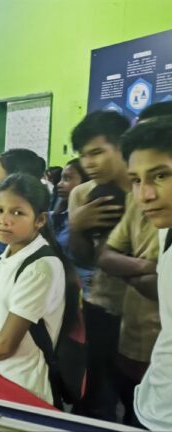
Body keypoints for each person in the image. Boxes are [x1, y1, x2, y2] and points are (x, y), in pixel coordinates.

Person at [0, 174, 79, 406]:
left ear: (39, 220)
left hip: (23, 386)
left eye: (17, 213)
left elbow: (5, 344)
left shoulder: (40, 267)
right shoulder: (12, 253)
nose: (3, 220)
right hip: (0, 376)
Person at [68, 110, 130, 420]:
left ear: (121, 147)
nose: (89, 163)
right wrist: (77, 225)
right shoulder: (81, 193)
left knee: (137, 398)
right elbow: (82, 257)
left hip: (146, 313)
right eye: (83, 156)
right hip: (100, 304)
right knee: (95, 394)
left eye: (97, 152)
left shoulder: (144, 192)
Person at [121, 117, 172, 430]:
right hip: (155, 401)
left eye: (161, 175)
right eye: (136, 180)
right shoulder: (165, 229)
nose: (144, 195)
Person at [49, 159, 93, 301]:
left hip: (86, 291)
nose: (59, 184)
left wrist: (76, 224)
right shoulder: (58, 214)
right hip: (63, 287)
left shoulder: (93, 215)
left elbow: (80, 254)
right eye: (61, 178)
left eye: (67, 179)